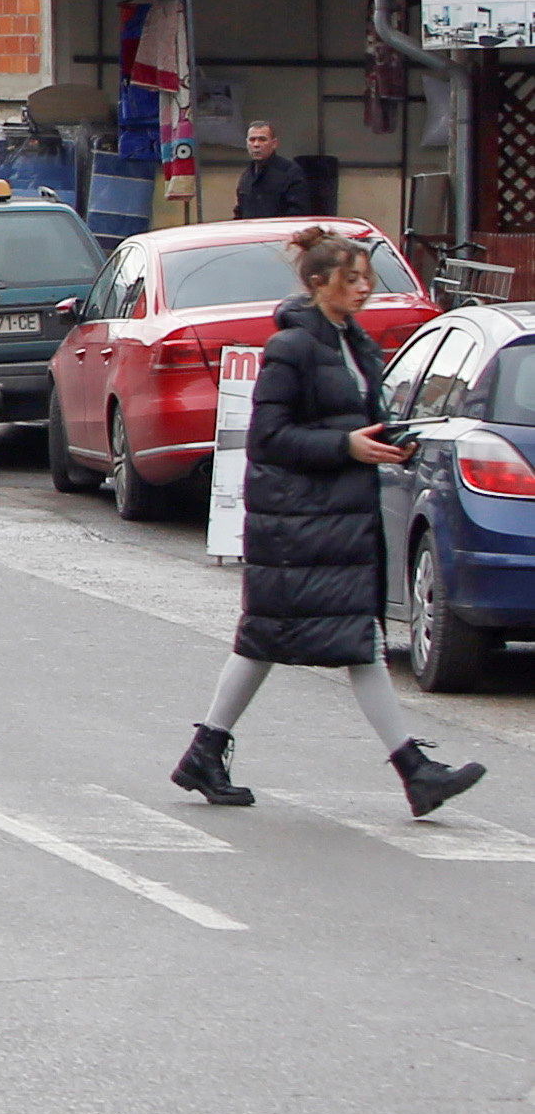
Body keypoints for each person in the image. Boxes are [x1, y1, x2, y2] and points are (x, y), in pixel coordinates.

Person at [173, 227, 487, 817]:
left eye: (367, 277)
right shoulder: (292, 348)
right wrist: (346, 446)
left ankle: (205, 752)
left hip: (335, 519)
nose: (364, 288)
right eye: (352, 279)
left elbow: (358, 421)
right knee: (347, 642)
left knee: (281, 638)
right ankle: (414, 772)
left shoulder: (353, 341)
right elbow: (269, 438)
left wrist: (389, 443)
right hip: (299, 522)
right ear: (318, 285)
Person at [233, 122, 315, 220]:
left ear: (274, 143)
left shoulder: (290, 172)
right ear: (246, 143)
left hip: (280, 232)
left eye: (262, 139)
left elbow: (298, 212)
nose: (256, 145)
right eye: (252, 140)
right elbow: (240, 211)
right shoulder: (247, 176)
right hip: (251, 233)